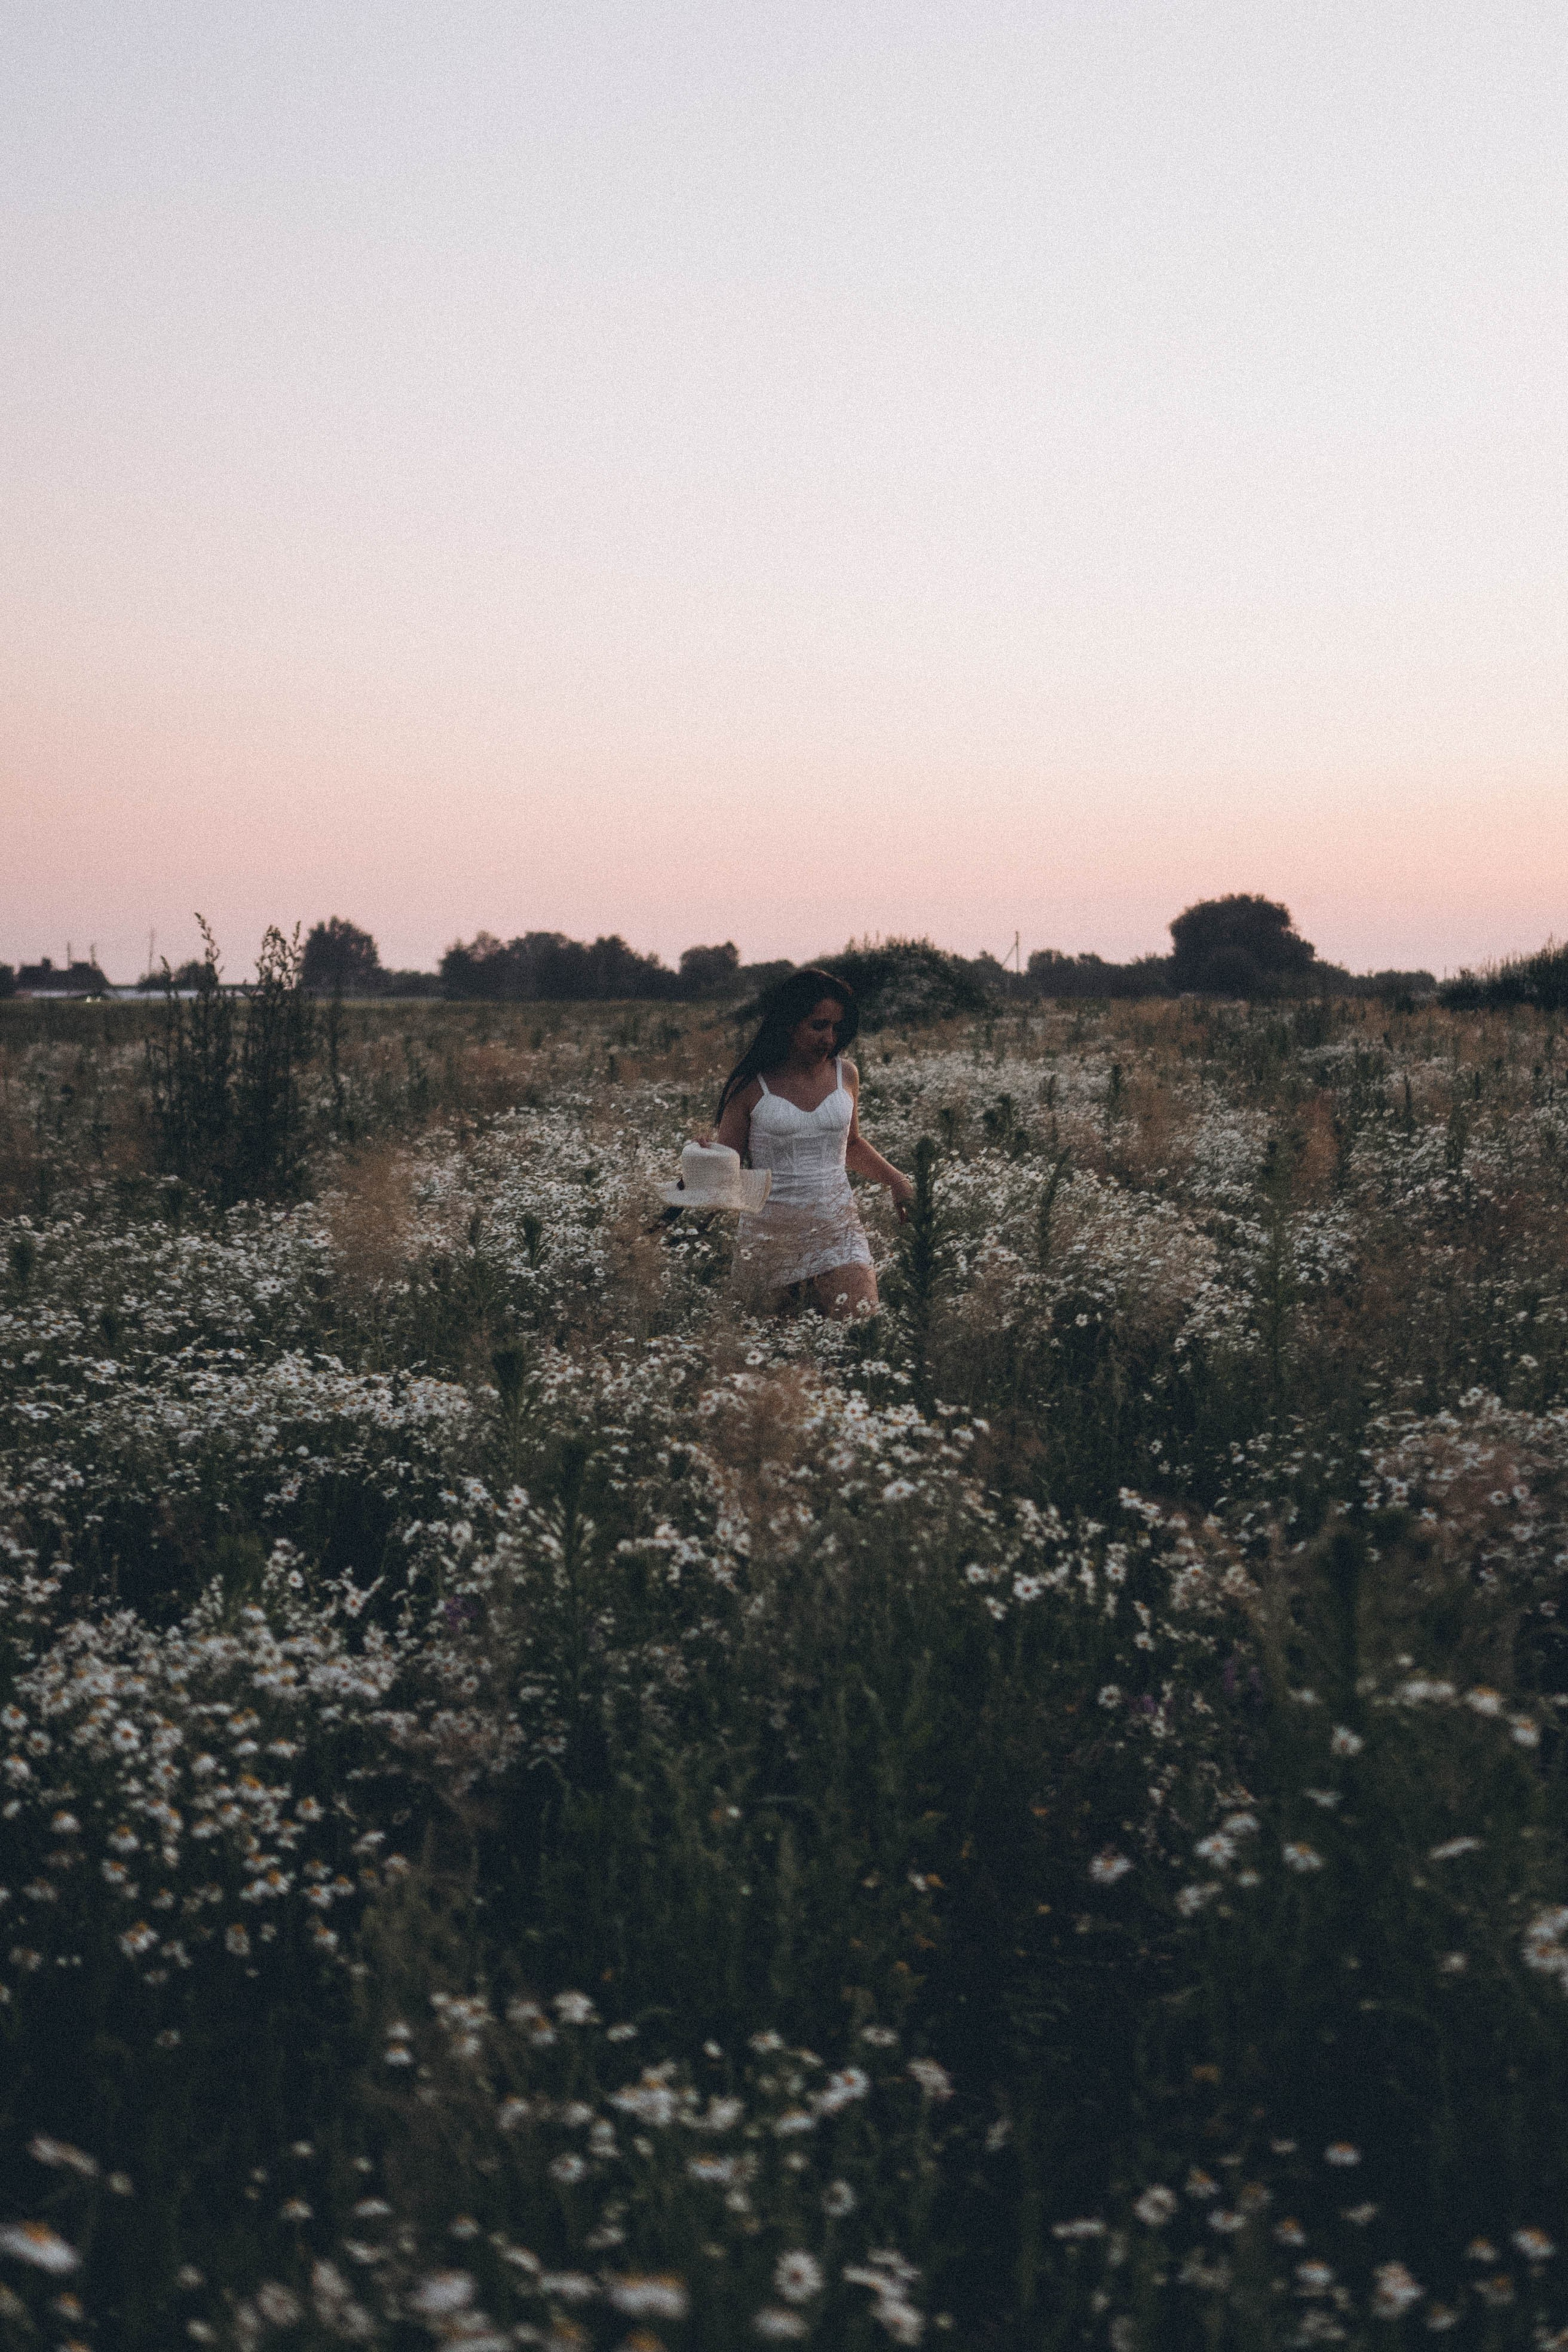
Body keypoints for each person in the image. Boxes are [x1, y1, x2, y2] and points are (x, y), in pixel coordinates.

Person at [714, 969, 913, 1317]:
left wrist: (897, 1180)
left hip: (839, 1230)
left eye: (837, 1027)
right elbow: (727, 1170)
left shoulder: (845, 1074)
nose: (830, 1038)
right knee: (779, 1360)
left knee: (862, 1333)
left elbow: (850, 1145)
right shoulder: (750, 1085)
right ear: (789, 1024)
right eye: (819, 1026)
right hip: (770, 1239)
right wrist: (705, 1155)